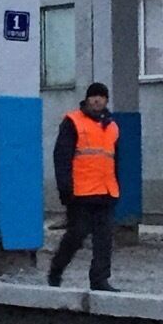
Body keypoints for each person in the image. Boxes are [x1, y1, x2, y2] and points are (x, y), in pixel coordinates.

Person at [48, 81, 121, 290]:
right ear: (87, 99)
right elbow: (62, 158)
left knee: (104, 239)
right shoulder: (73, 122)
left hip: (106, 191)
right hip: (80, 193)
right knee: (76, 235)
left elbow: (114, 160)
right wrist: (65, 190)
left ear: (106, 100)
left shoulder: (112, 127)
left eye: (101, 97)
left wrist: (117, 187)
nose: (97, 100)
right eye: (93, 96)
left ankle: (99, 280)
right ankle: (56, 270)